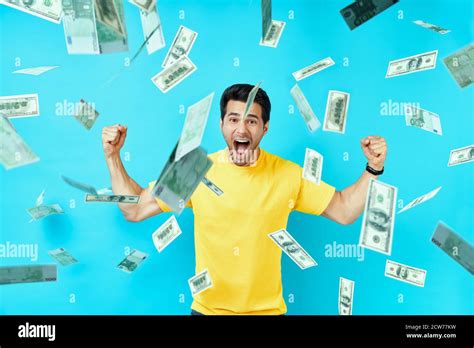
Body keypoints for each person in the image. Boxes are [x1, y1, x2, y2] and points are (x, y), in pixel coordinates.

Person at [102, 84, 388, 315]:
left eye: (251, 121)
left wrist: (373, 168)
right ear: (221, 124)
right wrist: (113, 157)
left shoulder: (287, 174)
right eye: (233, 119)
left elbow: (344, 210)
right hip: (208, 312)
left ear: (265, 128)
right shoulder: (194, 169)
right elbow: (135, 209)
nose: (241, 129)